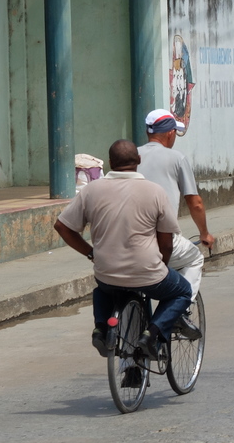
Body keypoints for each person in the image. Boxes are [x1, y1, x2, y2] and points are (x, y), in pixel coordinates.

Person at [54, 139, 192, 360]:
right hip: (148, 272)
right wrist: (160, 267)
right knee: (183, 291)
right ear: (138, 160)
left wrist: (91, 253)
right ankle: (152, 334)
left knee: (103, 289)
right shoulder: (155, 191)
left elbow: (62, 226)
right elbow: (166, 243)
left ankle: (101, 328)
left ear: (110, 162)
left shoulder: (91, 190)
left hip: (107, 273)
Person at [137, 109, 215, 306]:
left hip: (128, 239)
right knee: (194, 258)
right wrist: (204, 233)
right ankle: (180, 311)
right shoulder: (177, 158)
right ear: (170, 133)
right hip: (161, 241)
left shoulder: (131, 155)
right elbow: (195, 202)